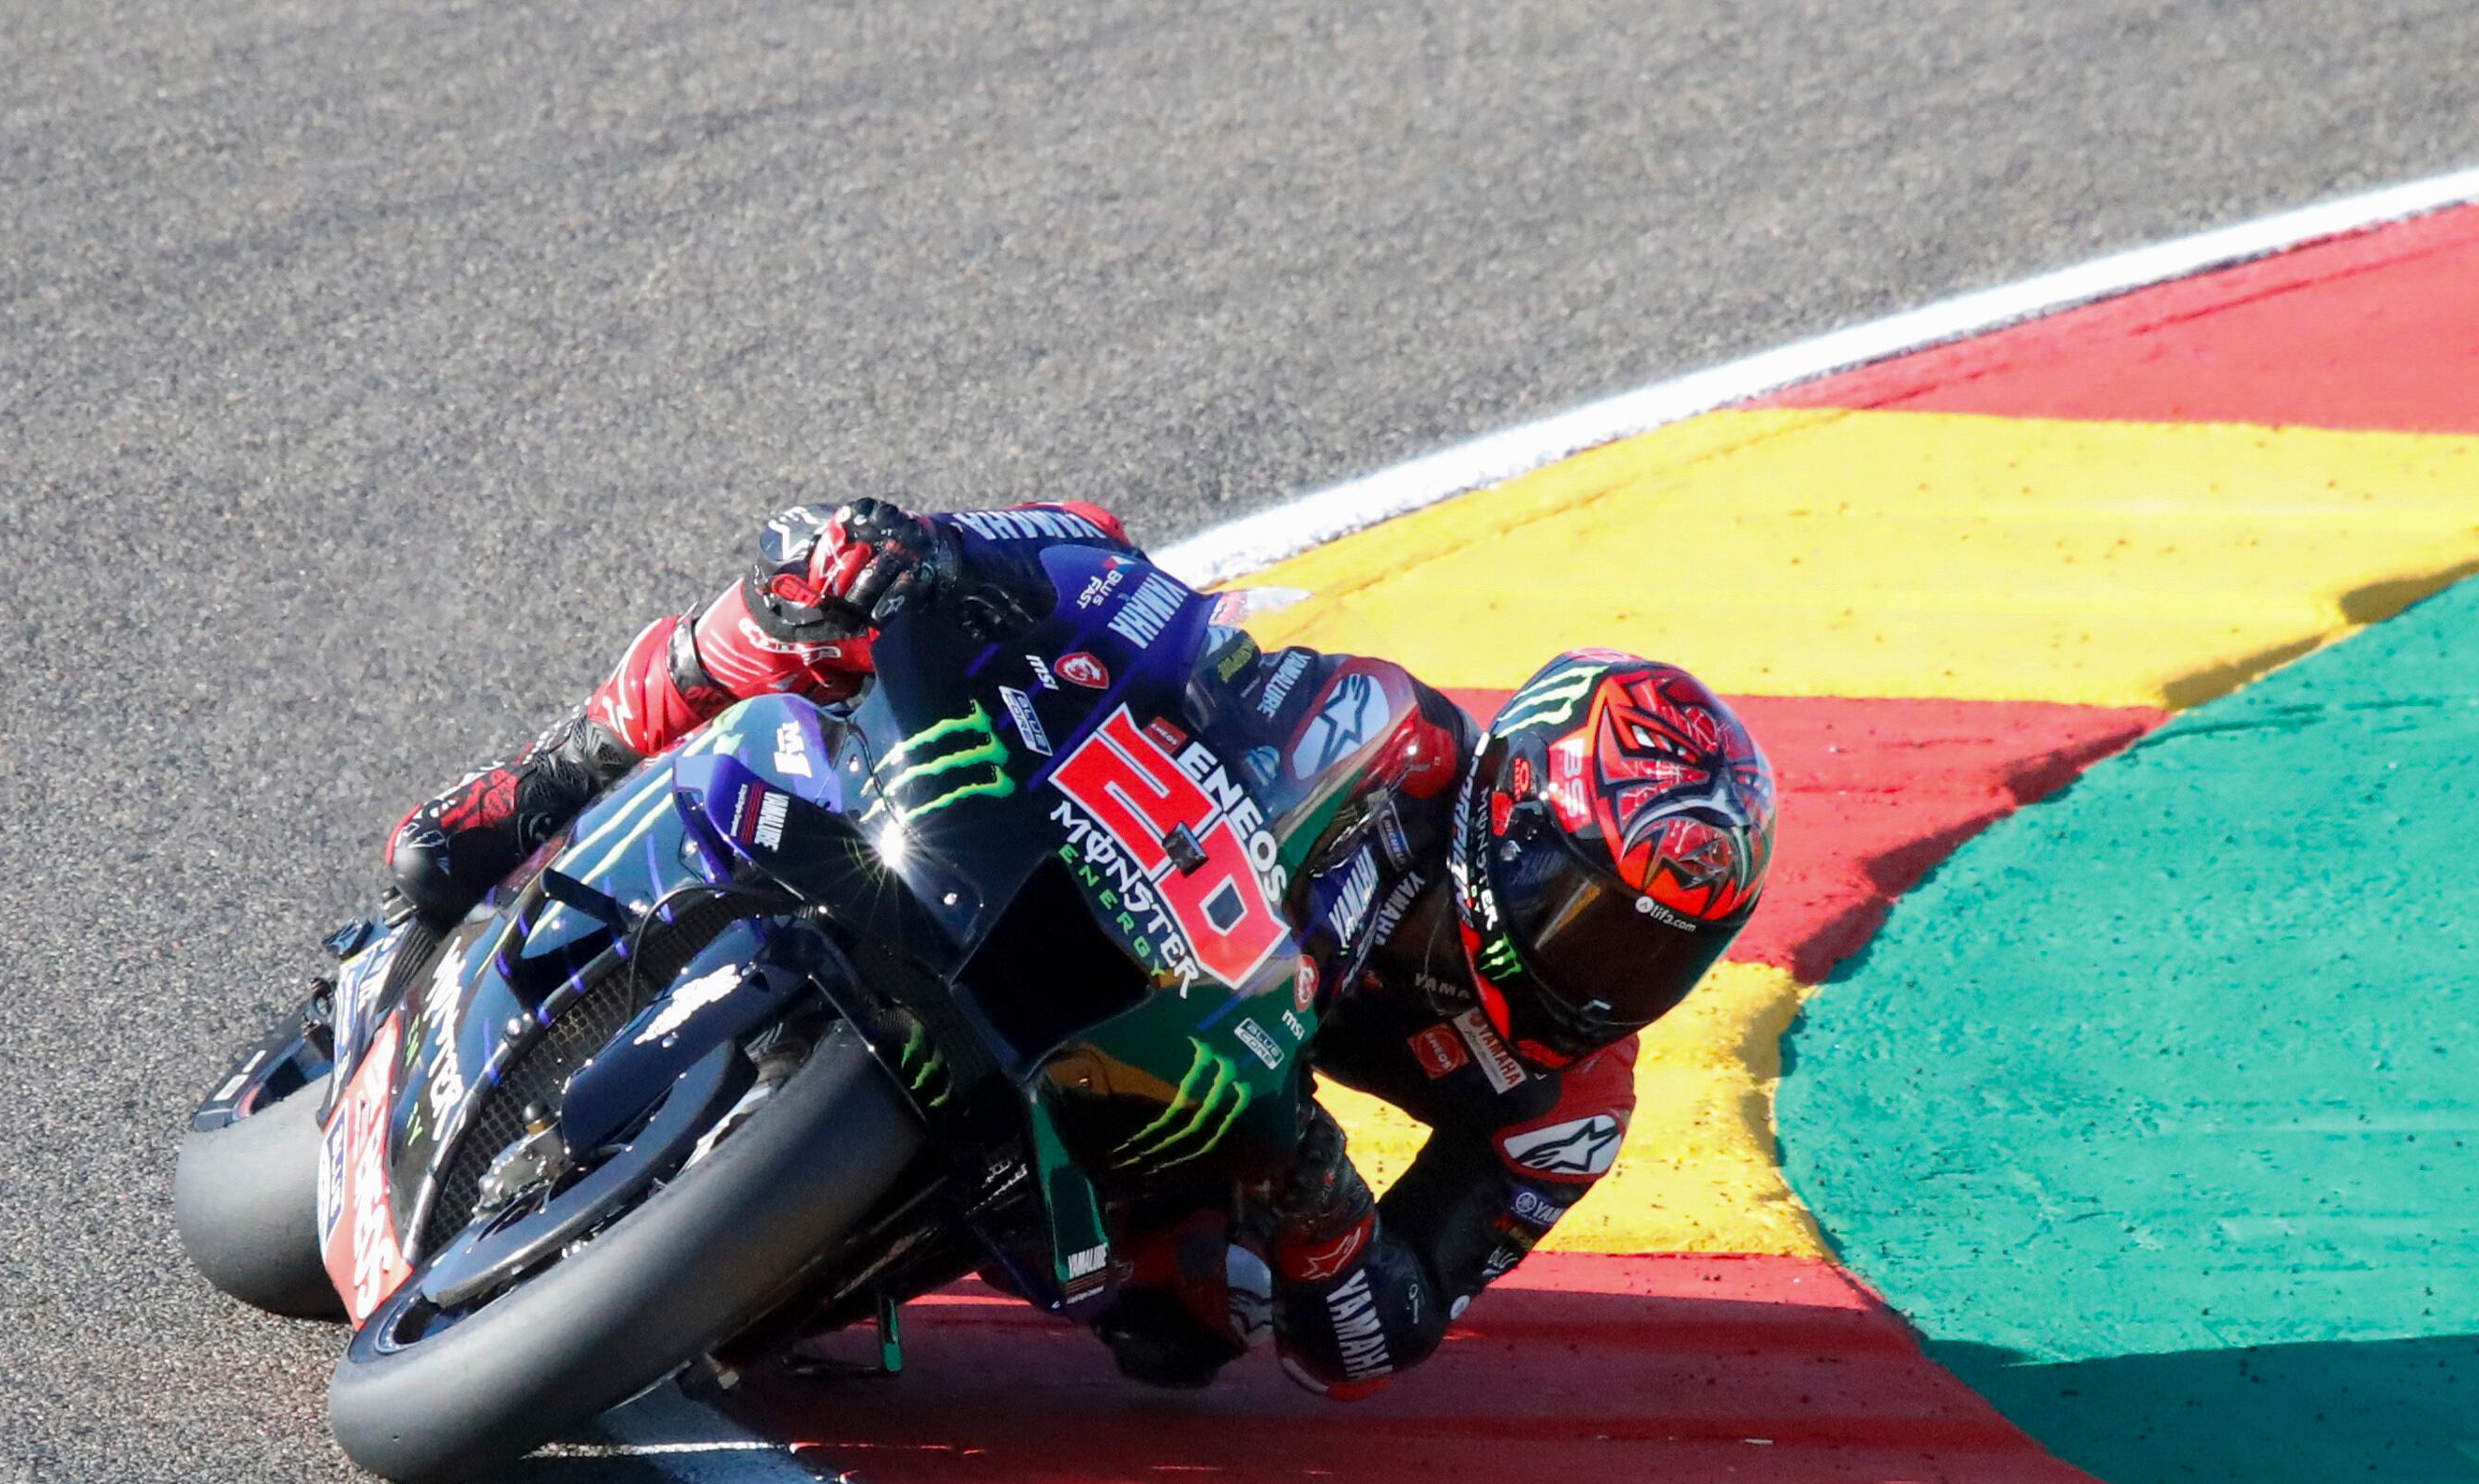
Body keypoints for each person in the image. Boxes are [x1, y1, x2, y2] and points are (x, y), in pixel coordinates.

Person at [382, 497, 1776, 1398]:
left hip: (1218, 1105)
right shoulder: (1380, 737)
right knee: (838, 602)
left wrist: (1322, 1213)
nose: (1604, 974)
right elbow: (1157, 625)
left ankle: (822, 1242)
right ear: (1514, 813)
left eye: (1661, 956)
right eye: (1587, 910)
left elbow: (1385, 1333)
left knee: (1193, 1327)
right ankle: (539, 782)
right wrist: (944, 557)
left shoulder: (1569, 1106)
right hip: (1098, 891)